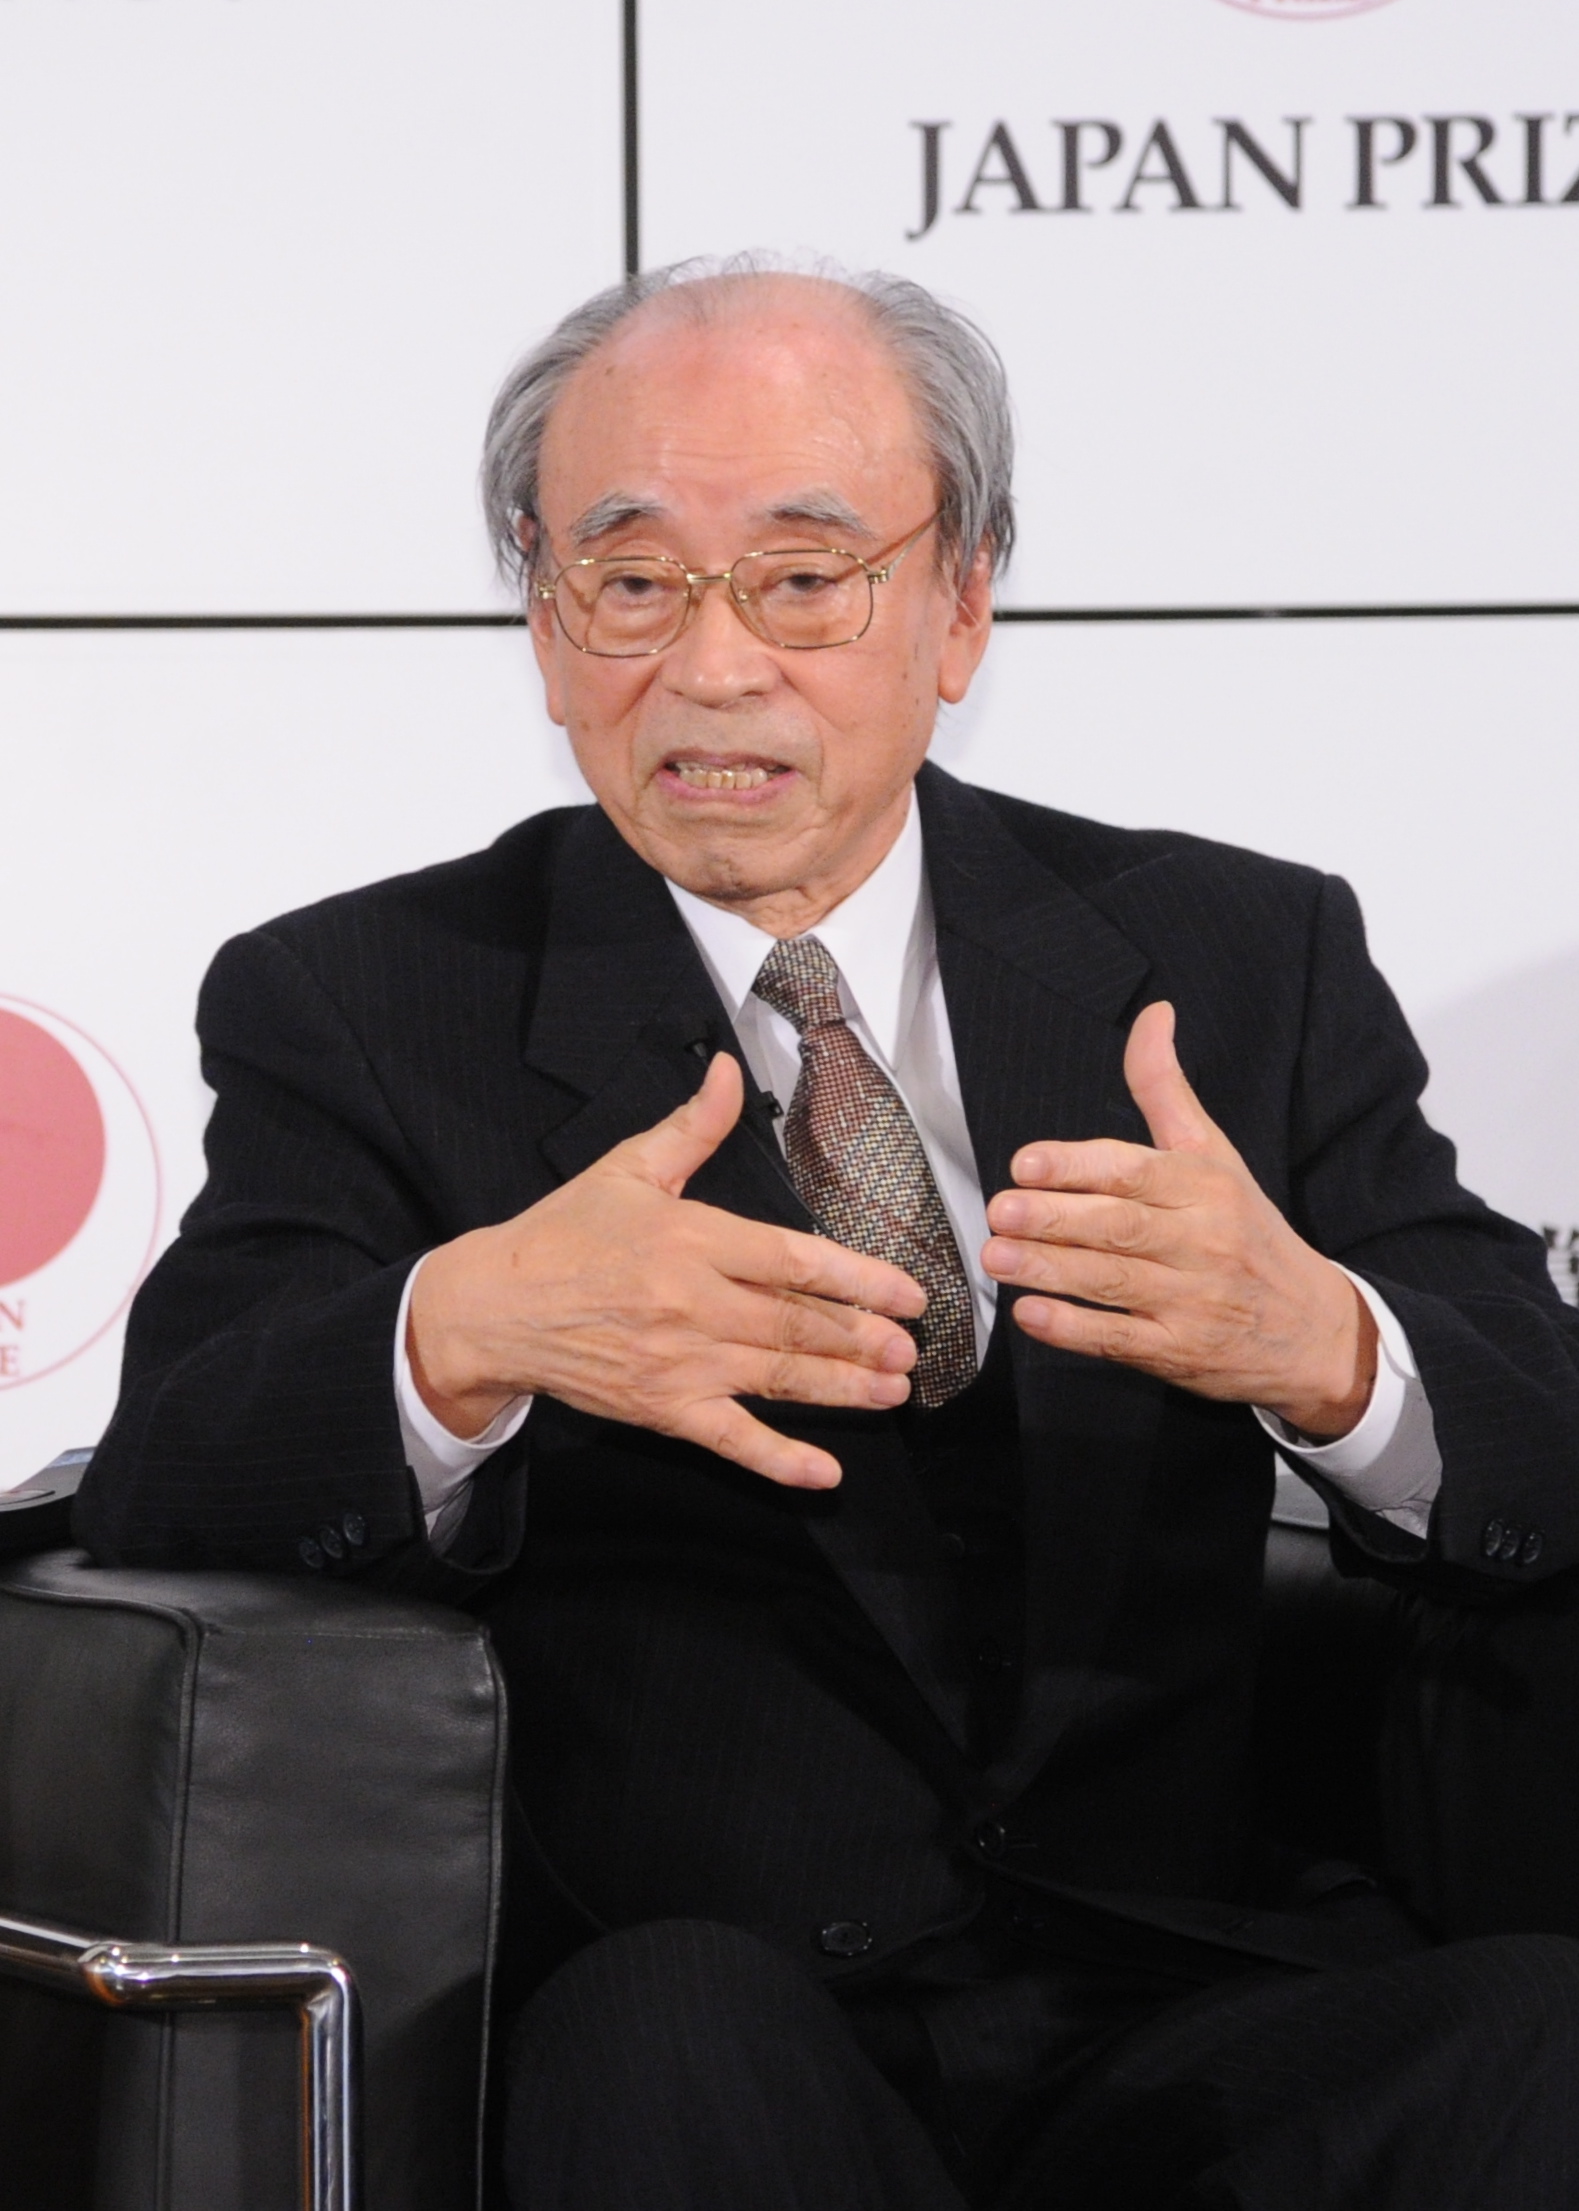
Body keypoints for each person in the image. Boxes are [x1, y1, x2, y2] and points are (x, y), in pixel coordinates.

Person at [78, 256, 1579, 2209]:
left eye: (802, 578)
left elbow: (1541, 1434)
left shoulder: (1233, 955)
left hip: (1187, 1988)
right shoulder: (370, 997)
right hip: (708, 2000)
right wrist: (465, 1328)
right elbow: (172, 1468)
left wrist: (1331, 1351)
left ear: (961, 601)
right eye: (631, 579)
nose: (714, 668)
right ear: (543, 617)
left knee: (1534, 2038)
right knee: (670, 2042)